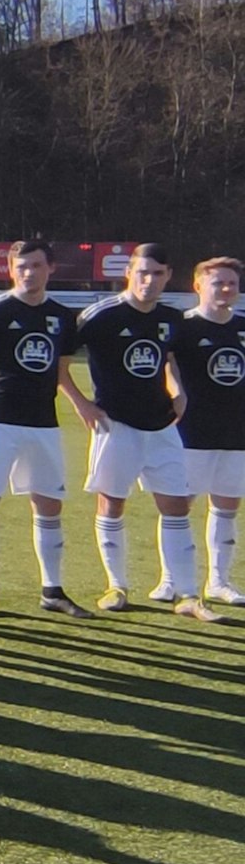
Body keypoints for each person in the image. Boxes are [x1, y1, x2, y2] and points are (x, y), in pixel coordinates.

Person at [75, 244, 220, 620]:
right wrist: (81, 402)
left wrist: (178, 390)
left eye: (157, 274)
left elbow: (168, 357)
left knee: (175, 505)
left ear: (168, 276)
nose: (149, 281)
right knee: (112, 502)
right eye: (142, 273)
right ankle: (116, 585)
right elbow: (60, 358)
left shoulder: (172, 319)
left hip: (162, 426)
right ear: (129, 273)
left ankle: (188, 595)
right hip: (115, 424)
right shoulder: (100, 316)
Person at [0, 240, 93, 618]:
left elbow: (61, 371)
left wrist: (80, 403)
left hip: (43, 422)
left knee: (49, 504)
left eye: (35, 265)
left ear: (50, 268)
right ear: (11, 270)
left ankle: (52, 590)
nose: (27, 272)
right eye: (21, 266)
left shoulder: (63, 317)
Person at [174, 256, 245, 606]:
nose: (227, 289)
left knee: (227, 506)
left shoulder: (243, 327)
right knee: (178, 507)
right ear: (198, 285)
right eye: (218, 282)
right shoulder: (182, 328)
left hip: (236, 434)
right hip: (191, 433)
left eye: (232, 283)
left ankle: (219, 580)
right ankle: (172, 579)